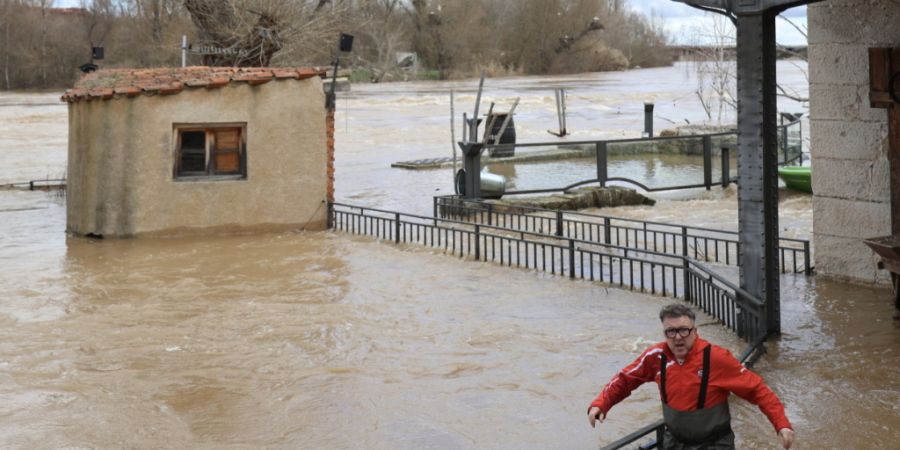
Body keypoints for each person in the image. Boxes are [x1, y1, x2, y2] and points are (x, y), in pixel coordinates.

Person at [587, 303, 795, 449]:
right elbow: (626, 379)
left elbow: (757, 390)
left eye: (683, 331)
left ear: (695, 331)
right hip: (675, 442)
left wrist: (782, 424)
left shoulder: (716, 358)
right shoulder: (655, 357)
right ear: (664, 333)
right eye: (671, 331)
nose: (677, 337)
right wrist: (602, 403)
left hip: (714, 444)